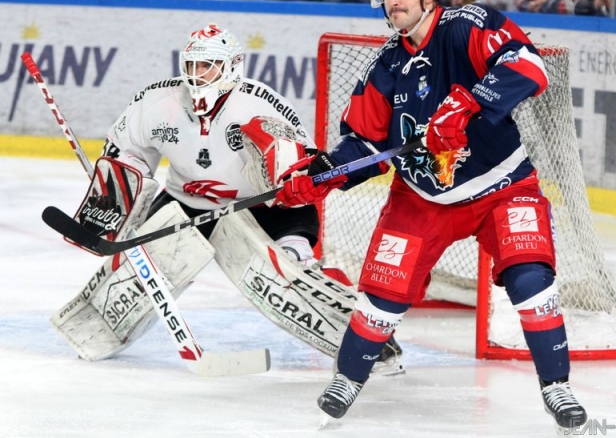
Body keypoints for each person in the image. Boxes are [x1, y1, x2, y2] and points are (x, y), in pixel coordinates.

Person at [275, 0, 588, 430]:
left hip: (502, 184)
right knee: (382, 294)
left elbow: (528, 66)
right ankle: (347, 378)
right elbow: (363, 143)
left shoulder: (468, 24)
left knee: (530, 279)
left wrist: (467, 104)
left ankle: (557, 387)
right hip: (422, 198)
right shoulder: (385, 67)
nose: (392, 1)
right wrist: (324, 175)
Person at [52, 23, 405, 374]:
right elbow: (127, 155)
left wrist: (284, 167)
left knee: (289, 276)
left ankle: (371, 344)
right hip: (183, 203)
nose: (197, 74)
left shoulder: (260, 105)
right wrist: (117, 195)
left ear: (232, 66)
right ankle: (91, 332)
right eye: (191, 65)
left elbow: (300, 173)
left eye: (207, 65)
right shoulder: (156, 102)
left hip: (264, 207)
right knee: (136, 279)